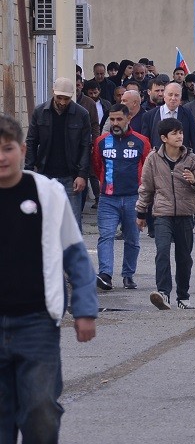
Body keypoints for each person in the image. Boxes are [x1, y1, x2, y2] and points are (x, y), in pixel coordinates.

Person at [0, 113, 97, 442]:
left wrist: (85, 308)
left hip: (36, 322)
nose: (1, 157)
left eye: (7, 148)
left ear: (22, 150)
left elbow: (75, 255)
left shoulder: (49, 194)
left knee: (40, 408)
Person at [137, 118, 195, 310]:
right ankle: (163, 293)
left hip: (185, 214)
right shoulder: (153, 159)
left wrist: (194, 181)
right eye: (175, 133)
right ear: (164, 138)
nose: (179, 136)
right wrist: (141, 212)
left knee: (184, 257)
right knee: (162, 252)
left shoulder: (192, 159)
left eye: (181, 132)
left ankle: (183, 296)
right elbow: (146, 188)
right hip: (162, 213)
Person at [91, 104, 151, 292]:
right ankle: (105, 275)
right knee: (106, 236)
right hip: (108, 199)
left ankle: (128, 275)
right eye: (112, 119)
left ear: (128, 119)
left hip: (134, 198)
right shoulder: (101, 141)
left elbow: (147, 167)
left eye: (119, 119)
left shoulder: (142, 141)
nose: (115, 123)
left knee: (132, 239)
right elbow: (97, 166)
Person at [24, 77, 93, 232]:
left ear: (72, 96)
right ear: (53, 92)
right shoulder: (40, 112)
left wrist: (82, 174)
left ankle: (73, 256)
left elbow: (85, 146)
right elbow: (31, 142)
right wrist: (28, 171)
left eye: (66, 98)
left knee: (73, 225)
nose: (62, 102)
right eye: (59, 97)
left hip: (71, 175)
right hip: (44, 173)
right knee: (42, 221)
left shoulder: (82, 114)